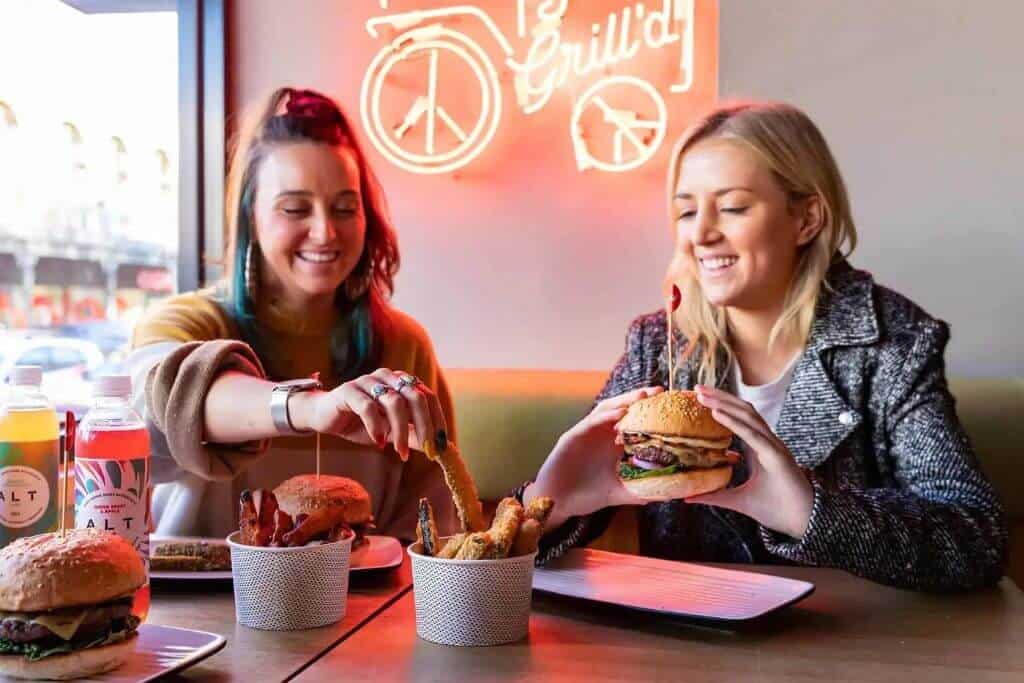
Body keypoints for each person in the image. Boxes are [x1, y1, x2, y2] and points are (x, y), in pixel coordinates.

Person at [520, 101, 1007, 591]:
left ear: (807, 219)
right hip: (692, 644)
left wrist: (810, 511)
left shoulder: (893, 342)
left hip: (850, 645)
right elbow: (532, 546)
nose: (702, 234)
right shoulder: (658, 343)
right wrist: (547, 507)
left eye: (732, 207)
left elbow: (975, 539)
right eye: (687, 211)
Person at [128, 88, 456, 540]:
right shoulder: (184, 324)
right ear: (251, 218)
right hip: (195, 608)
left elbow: (431, 523)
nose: (325, 232)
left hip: (357, 606)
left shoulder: (402, 347)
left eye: (345, 207)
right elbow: (157, 414)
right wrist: (311, 407)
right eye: (295, 208)